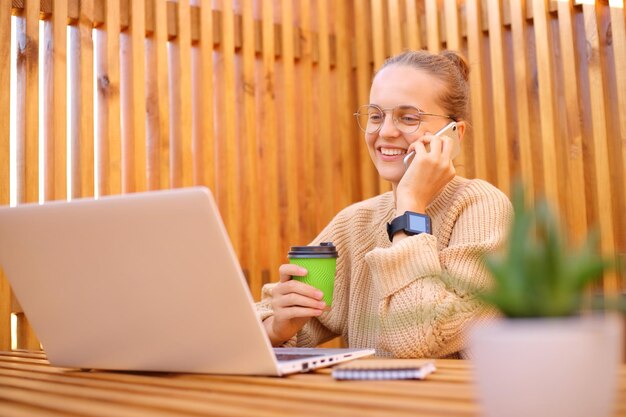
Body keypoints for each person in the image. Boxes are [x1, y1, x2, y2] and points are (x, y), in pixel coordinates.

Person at [256, 49, 513, 358]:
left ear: (454, 134)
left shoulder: (482, 208)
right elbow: (265, 322)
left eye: (408, 117)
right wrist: (276, 327)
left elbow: (417, 340)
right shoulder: (356, 222)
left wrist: (410, 204)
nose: (385, 132)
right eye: (376, 116)